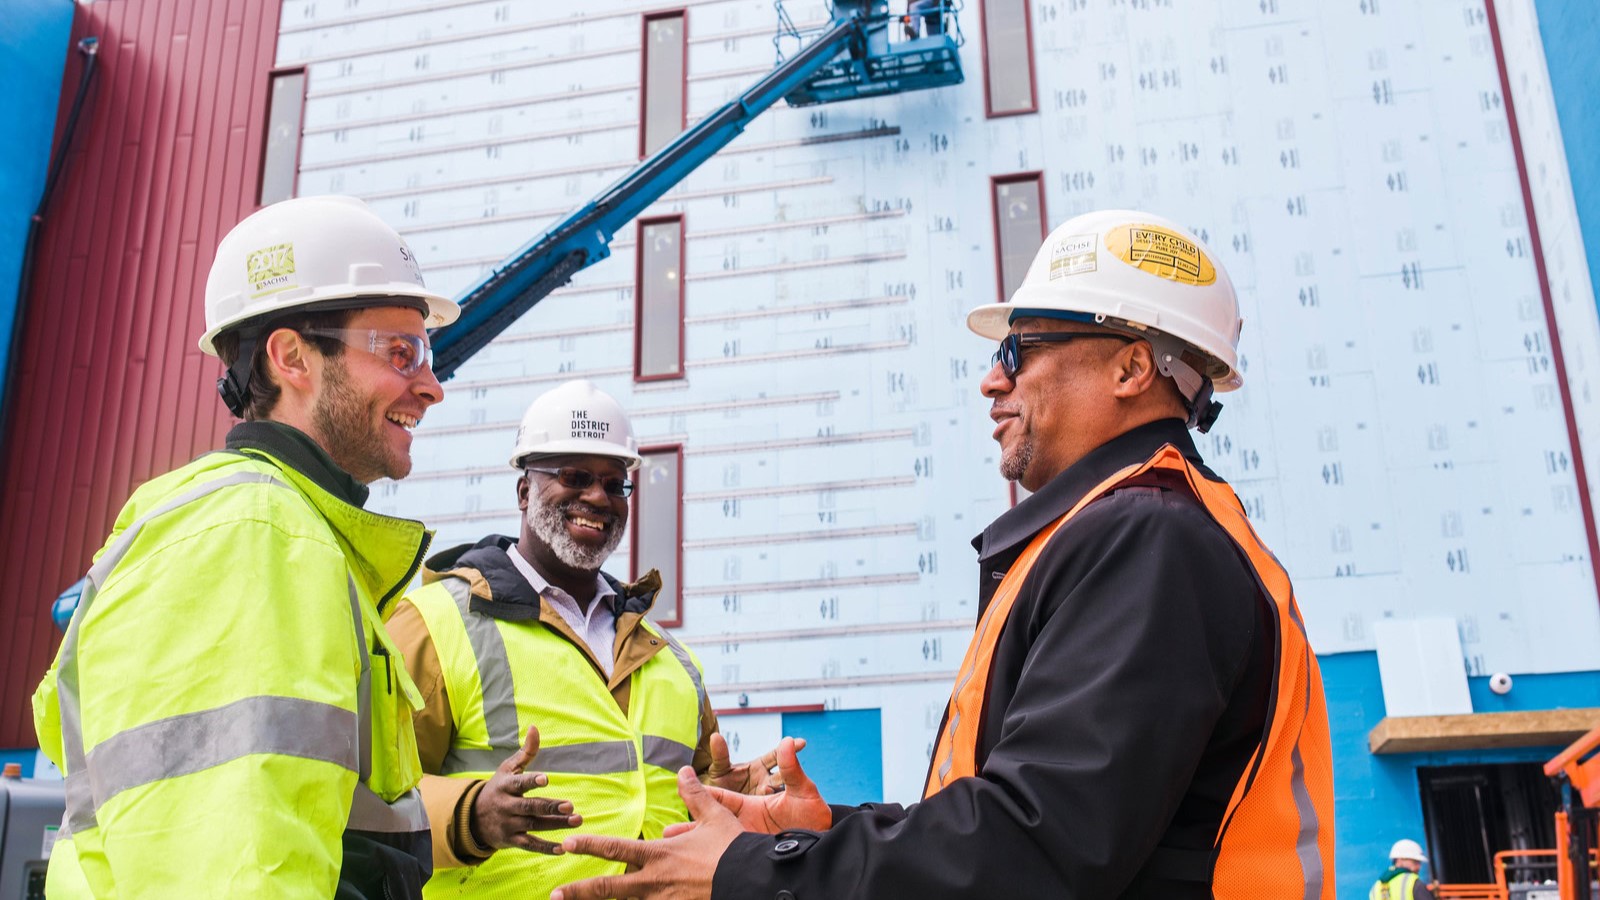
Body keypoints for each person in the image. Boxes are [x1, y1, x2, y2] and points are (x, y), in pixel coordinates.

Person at [551, 209, 1337, 900]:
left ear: (1131, 367)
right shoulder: (1146, 531)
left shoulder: (1150, 539)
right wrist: (819, 834)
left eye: (1021, 348)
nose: (992, 381)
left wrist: (761, 871)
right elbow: (1029, 817)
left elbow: (1034, 846)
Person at [31, 195, 459, 898]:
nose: (432, 386)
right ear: (293, 357)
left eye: (428, 354)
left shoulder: (287, 534)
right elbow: (235, 864)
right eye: (401, 351)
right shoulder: (255, 533)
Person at [386, 379, 796, 898]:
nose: (598, 497)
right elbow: (370, 796)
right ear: (524, 490)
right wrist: (470, 814)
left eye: (614, 482)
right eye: (574, 477)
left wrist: (733, 800)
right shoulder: (432, 625)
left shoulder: (671, 659)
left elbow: (678, 810)